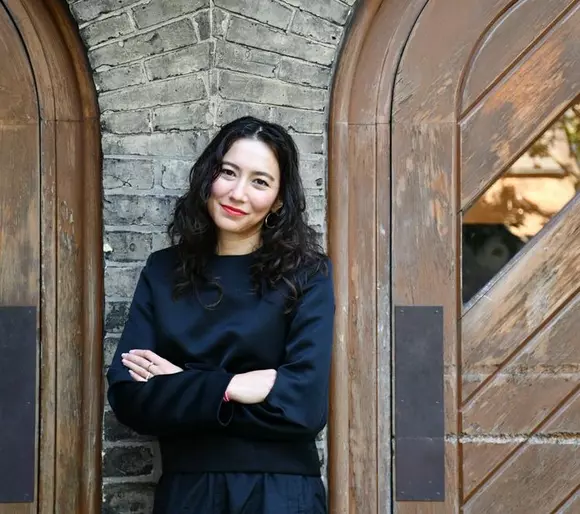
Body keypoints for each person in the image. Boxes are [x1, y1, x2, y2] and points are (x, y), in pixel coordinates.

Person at [106, 116, 335, 513]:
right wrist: (235, 386)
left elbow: (304, 406)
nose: (238, 193)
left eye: (260, 181)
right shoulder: (163, 271)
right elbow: (130, 397)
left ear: (279, 200)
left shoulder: (307, 275)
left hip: (281, 497)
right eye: (228, 172)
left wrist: (183, 384)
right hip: (188, 494)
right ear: (209, 175)